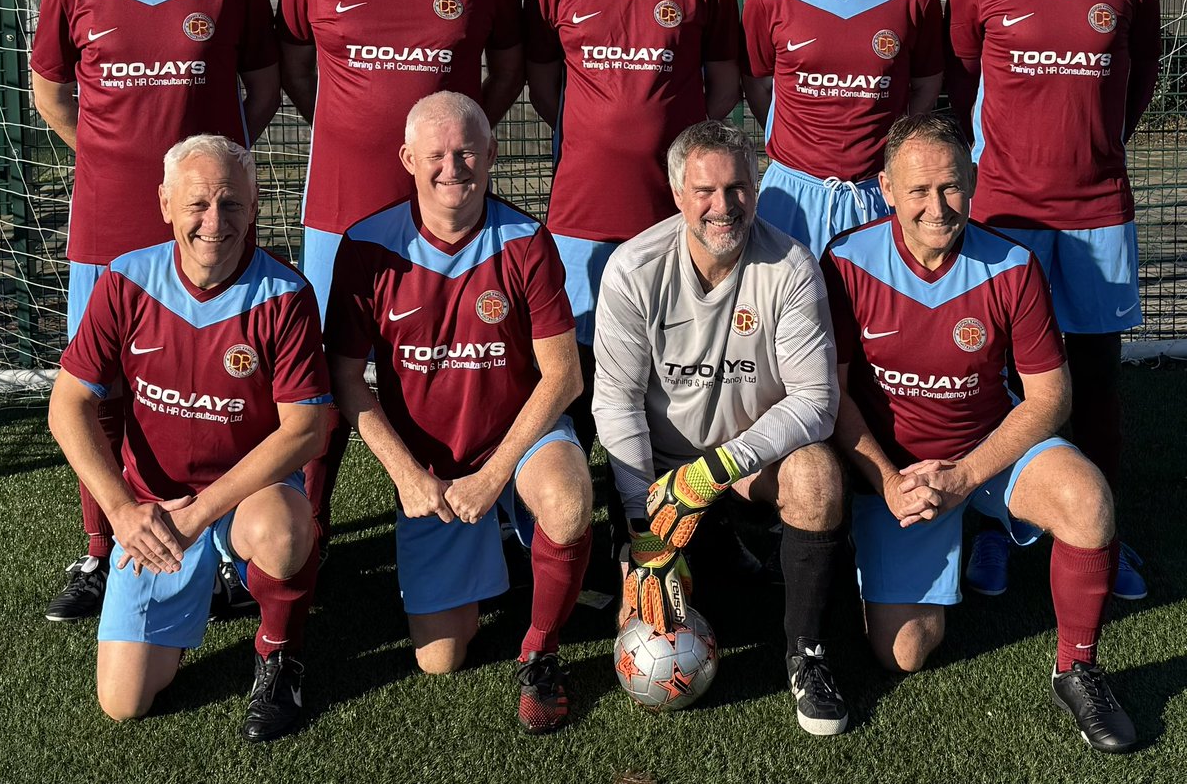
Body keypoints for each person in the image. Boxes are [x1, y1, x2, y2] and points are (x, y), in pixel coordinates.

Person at [822, 113, 1136, 754]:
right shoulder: (846, 261)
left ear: (971, 180)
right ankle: (939, 546)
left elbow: (1051, 397)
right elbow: (833, 394)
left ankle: (1077, 668)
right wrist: (885, 483)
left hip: (983, 460)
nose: (937, 207)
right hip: (900, 477)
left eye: (950, 187)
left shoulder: (1012, 265)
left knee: (1088, 499)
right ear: (885, 189)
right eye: (917, 190)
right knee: (903, 653)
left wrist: (965, 476)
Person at [31, 0, 281, 622]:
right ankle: (101, 547)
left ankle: (234, 553)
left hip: (210, 229)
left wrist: (210, 185)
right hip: (106, 228)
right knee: (100, 392)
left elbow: (263, 88)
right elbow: (52, 94)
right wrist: (111, 160)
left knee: (228, 383)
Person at [276, 0, 525, 547]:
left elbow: (508, 66)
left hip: (446, 214)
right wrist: (344, 128)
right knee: (323, 375)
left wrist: (463, 138)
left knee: (470, 364)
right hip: (342, 208)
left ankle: (487, 514)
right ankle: (309, 525)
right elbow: (293, 59)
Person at [47, 135, 331, 742]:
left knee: (283, 533)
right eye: (198, 203)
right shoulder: (128, 280)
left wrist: (203, 513)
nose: (214, 221)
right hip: (155, 510)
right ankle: (208, 583)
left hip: (241, 498)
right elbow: (67, 404)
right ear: (165, 204)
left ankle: (280, 655)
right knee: (124, 702)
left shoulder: (286, 293)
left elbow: (306, 429)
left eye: (231, 204)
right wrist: (123, 512)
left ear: (255, 208)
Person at [325, 92, 592, 735]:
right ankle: (498, 544)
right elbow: (343, 377)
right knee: (441, 659)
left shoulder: (526, 240)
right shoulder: (367, 244)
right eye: (436, 154)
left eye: (467, 150)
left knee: (568, 498)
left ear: (493, 153)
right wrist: (408, 476)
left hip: (515, 440)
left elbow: (563, 375)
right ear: (407, 158)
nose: (453, 167)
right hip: (432, 466)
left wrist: (493, 475)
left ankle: (541, 648)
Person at [946, 0, 1160, 600]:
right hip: (1005, 212)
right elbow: (961, 81)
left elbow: (1140, 75)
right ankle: (1007, 528)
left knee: (1097, 375)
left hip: (1100, 210)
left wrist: (1100, 145)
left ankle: (1102, 526)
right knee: (1000, 378)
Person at [594, 120, 848, 736]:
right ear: (677, 193)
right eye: (704, 190)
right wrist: (642, 529)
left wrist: (719, 468)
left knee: (817, 478)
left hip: (745, 465)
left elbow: (817, 399)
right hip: (661, 469)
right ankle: (684, 551)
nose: (722, 205)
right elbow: (617, 402)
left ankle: (805, 653)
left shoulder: (790, 265)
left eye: (737, 188)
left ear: (756, 190)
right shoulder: (633, 268)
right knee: (656, 571)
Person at [524, 0, 742, 454]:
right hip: (581, 209)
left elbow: (723, 83)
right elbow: (543, 86)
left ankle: (675, 517)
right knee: (586, 365)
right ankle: (585, 510)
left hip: (675, 210)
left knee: (676, 359)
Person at [743, 0, 944, 261]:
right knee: (785, 318)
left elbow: (926, 86)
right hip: (793, 192)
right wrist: (802, 146)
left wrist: (894, 152)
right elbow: (758, 84)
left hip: (878, 191)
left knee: (872, 321)